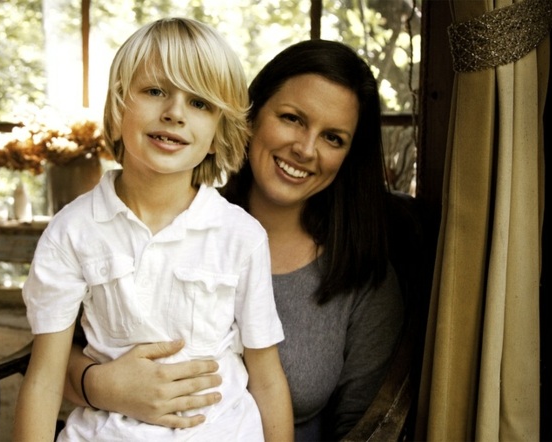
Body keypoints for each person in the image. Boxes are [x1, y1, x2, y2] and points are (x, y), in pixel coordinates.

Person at [64, 39, 405, 441]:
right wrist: (105, 387)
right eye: (293, 118)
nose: (305, 149)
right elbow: (52, 361)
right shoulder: (163, 221)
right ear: (250, 114)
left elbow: (365, 428)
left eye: (333, 138)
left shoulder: (364, 277)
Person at [14, 17, 293, 442]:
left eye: (200, 103)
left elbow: (267, 378)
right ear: (118, 105)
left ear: (219, 134)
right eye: (155, 91)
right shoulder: (71, 231)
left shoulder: (241, 236)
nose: (174, 113)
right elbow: (44, 381)